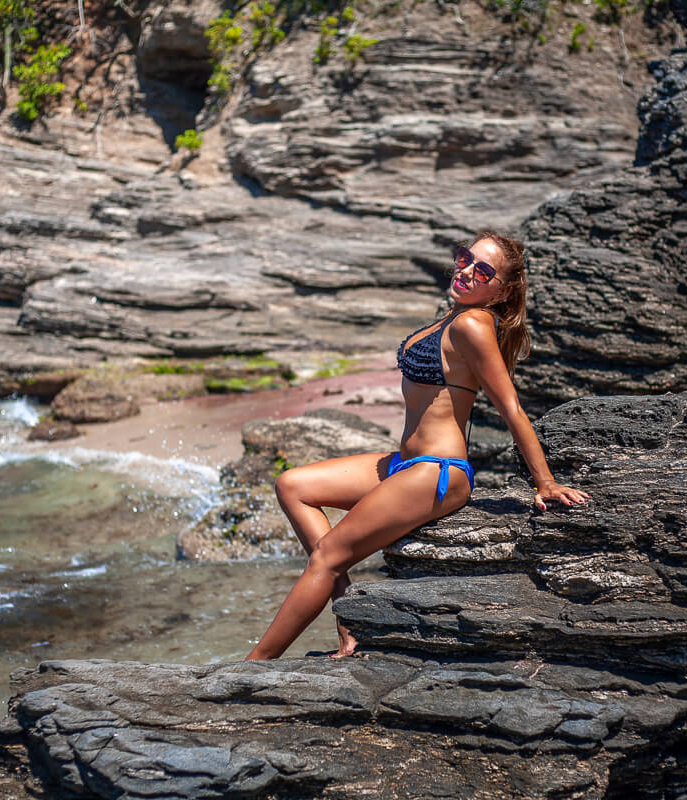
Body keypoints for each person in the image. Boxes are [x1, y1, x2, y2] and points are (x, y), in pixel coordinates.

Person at [246, 231, 590, 660]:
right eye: (465, 258)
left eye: (483, 271)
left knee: (328, 556)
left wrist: (545, 482)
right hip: (404, 464)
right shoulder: (450, 317)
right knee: (293, 486)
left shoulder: (473, 324)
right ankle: (350, 620)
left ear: (501, 291)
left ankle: (254, 667)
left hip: (437, 471)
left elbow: (511, 408)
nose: (467, 271)